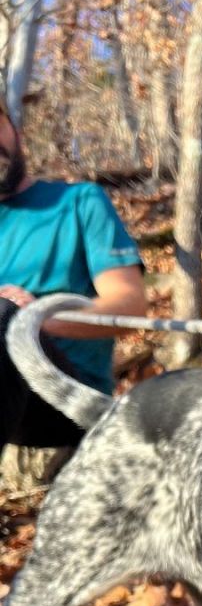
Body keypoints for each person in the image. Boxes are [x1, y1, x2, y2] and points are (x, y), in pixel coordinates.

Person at [0, 95, 147, 451]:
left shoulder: (80, 202)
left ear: (16, 131)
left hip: (66, 400)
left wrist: (32, 319)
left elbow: (129, 305)